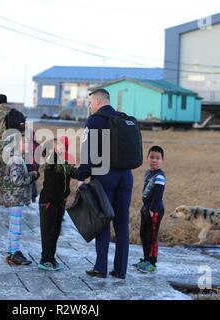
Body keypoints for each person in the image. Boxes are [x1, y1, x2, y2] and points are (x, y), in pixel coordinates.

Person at [77, 88, 133, 279]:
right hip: (125, 177)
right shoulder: (123, 119)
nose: (90, 106)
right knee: (122, 223)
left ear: (99, 101)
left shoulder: (95, 120)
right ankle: (120, 270)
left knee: (102, 221)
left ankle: (101, 268)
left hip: (104, 177)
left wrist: (80, 176)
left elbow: (88, 152)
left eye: (91, 102)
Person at [38, 136, 76, 271]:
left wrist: (89, 167)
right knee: (48, 231)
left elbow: (77, 173)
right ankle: (45, 259)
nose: (61, 147)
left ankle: (51, 257)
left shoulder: (64, 164)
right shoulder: (50, 162)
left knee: (55, 231)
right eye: (57, 145)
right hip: (48, 201)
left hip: (60, 201)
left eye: (61, 145)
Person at [3, 133, 39, 266]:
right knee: (16, 227)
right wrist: (32, 176)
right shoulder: (16, 159)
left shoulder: (17, 158)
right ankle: (15, 253)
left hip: (14, 197)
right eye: (24, 142)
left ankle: (11, 251)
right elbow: (17, 181)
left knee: (13, 226)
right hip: (15, 198)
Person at [133, 145, 166, 273]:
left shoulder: (160, 176)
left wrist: (153, 209)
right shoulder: (148, 173)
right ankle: (146, 259)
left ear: (162, 160)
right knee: (143, 234)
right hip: (146, 208)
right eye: (152, 157)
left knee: (151, 236)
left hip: (155, 209)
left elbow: (158, 193)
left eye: (157, 158)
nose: (154, 160)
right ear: (147, 158)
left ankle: (152, 262)